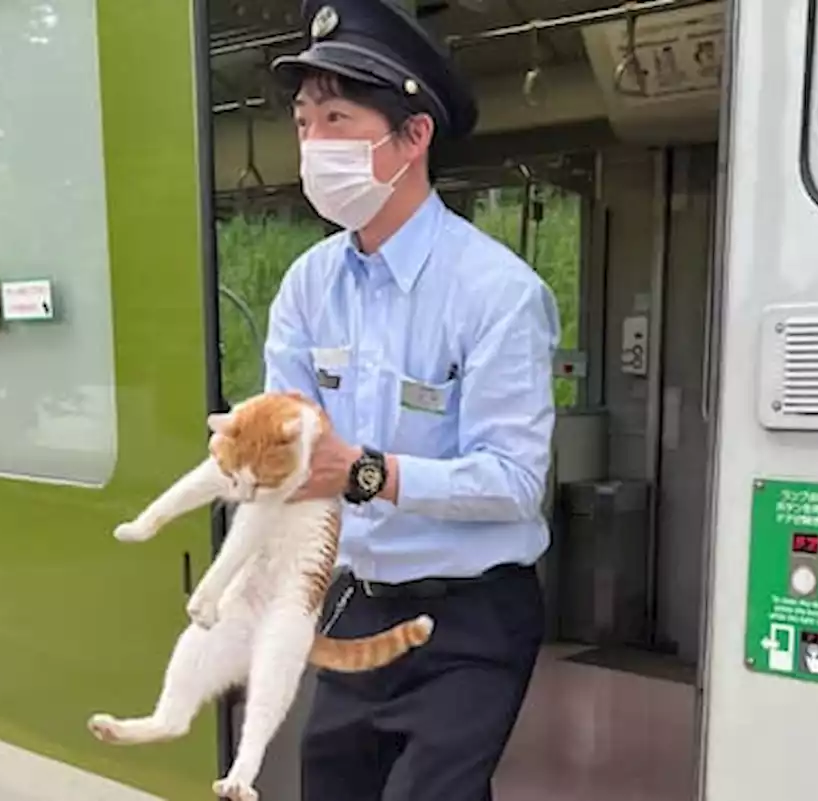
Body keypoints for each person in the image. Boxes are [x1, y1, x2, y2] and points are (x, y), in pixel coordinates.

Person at [262, 1, 560, 799]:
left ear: (412, 136)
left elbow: (512, 480)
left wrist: (362, 471)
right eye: (303, 121)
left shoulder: (496, 293)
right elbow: (288, 436)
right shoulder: (307, 286)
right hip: (358, 603)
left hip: (472, 619)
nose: (313, 143)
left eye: (337, 117)